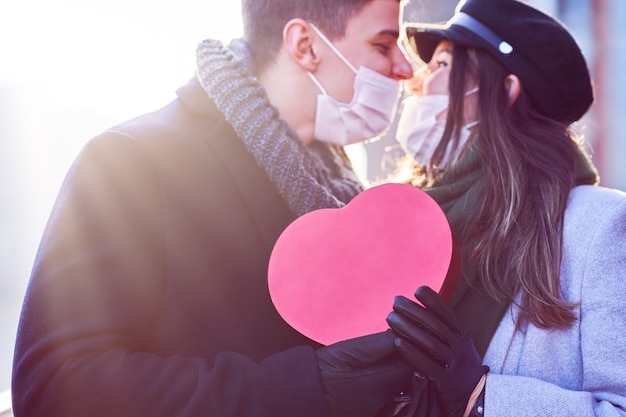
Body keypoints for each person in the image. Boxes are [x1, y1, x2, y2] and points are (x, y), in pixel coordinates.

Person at [11, 1, 417, 416]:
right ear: (305, 45)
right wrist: (306, 386)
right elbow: (55, 385)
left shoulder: (339, 184)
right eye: (384, 45)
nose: (406, 68)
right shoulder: (132, 160)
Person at [385, 0, 626, 416]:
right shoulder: (400, 216)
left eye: (443, 64)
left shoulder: (599, 227)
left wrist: (482, 396)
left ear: (507, 90)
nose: (419, 82)